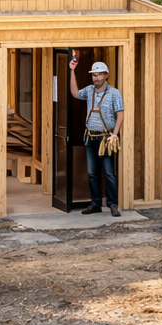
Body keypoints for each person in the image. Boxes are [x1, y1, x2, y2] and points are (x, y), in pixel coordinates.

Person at [69, 57, 124, 215]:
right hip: (91, 137)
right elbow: (74, 93)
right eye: (94, 75)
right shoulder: (89, 90)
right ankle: (95, 204)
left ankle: (113, 204)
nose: (97, 78)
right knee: (92, 173)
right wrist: (72, 71)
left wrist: (115, 134)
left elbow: (120, 115)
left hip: (107, 138)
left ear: (106, 75)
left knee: (108, 173)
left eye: (100, 75)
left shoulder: (114, 93)